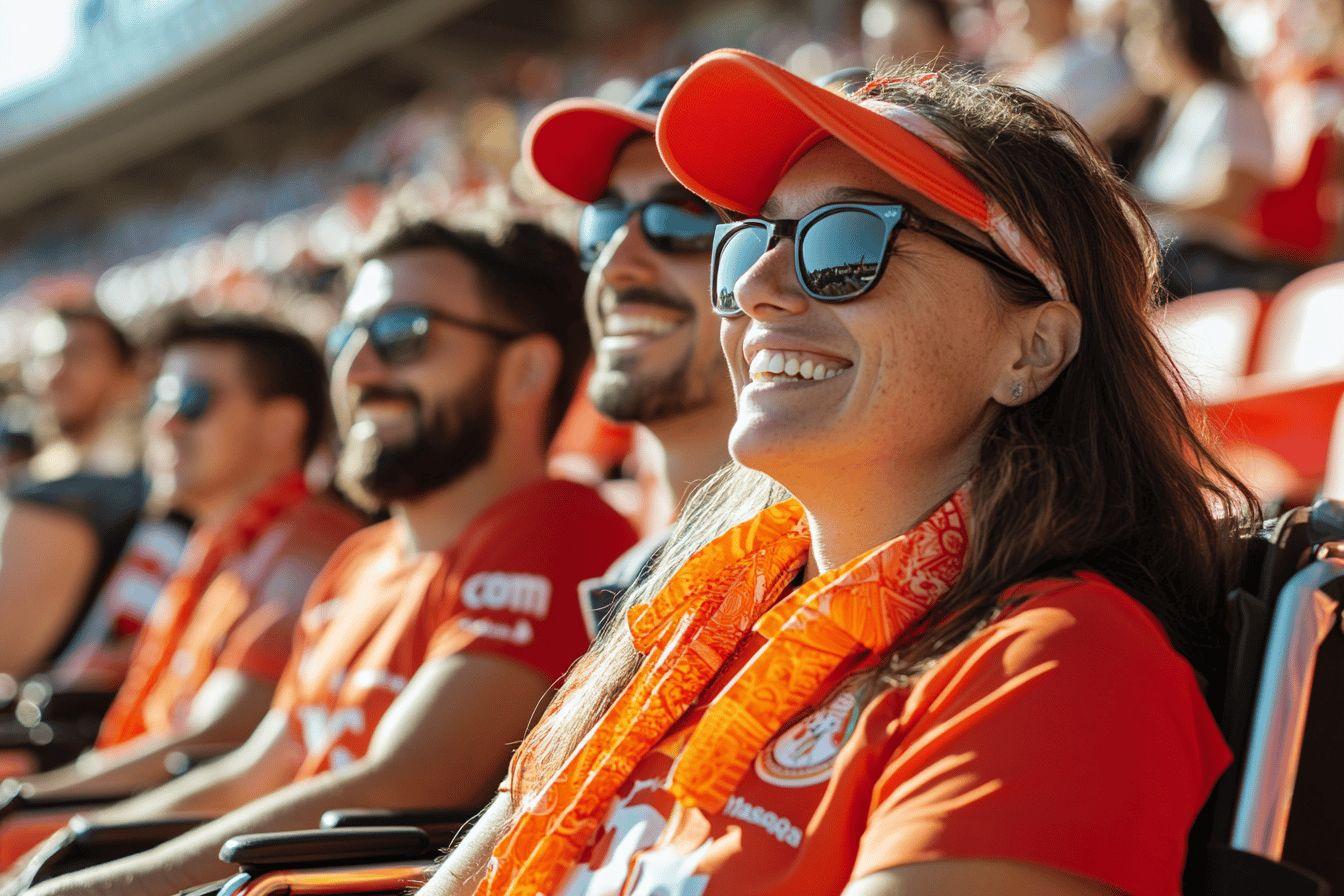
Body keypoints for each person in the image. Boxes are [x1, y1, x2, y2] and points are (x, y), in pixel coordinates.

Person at [426, 51, 1253, 896]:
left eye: (850, 242)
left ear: (1031, 349)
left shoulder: (1058, 670)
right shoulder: (689, 617)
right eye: (749, 239)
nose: (755, 287)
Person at [22, 220, 637, 896]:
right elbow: (259, 768)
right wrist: (57, 853)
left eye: (405, 334)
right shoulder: (358, 557)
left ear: (527, 368)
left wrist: (92, 887)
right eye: (348, 338)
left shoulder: (557, 525)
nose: (358, 370)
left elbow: (409, 780)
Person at [8, 315, 361, 805]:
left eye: (192, 402)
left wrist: (24, 797)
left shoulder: (307, 550)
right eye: (159, 401)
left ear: (282, 426)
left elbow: (219, 737)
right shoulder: (217, 541)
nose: (162, 422)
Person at [524, 67, 736, 633]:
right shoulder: (624, 562)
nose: (617, 263)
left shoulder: (835, 558)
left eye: (681, 220)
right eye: (603, 222)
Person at [0, 310, 147, 678]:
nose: (57, 372)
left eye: (79, 355)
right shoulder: (28, 478)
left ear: (127, 376)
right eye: (45, 358)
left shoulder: (139, 489)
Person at [1124, 0, 1285, 294]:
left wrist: (1142, 204)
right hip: (1175, 268)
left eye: (1139, 36)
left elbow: (1231, 203)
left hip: (1208, 272)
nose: (1132, 51)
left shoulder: (1228, 101)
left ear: (1172, 35)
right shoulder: (1178, 110)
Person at [991, 0, 1143, 145]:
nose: (1014, 12)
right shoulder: (1042, 65)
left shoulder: (1095, 59)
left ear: (1061, 5)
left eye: (1029, 4)